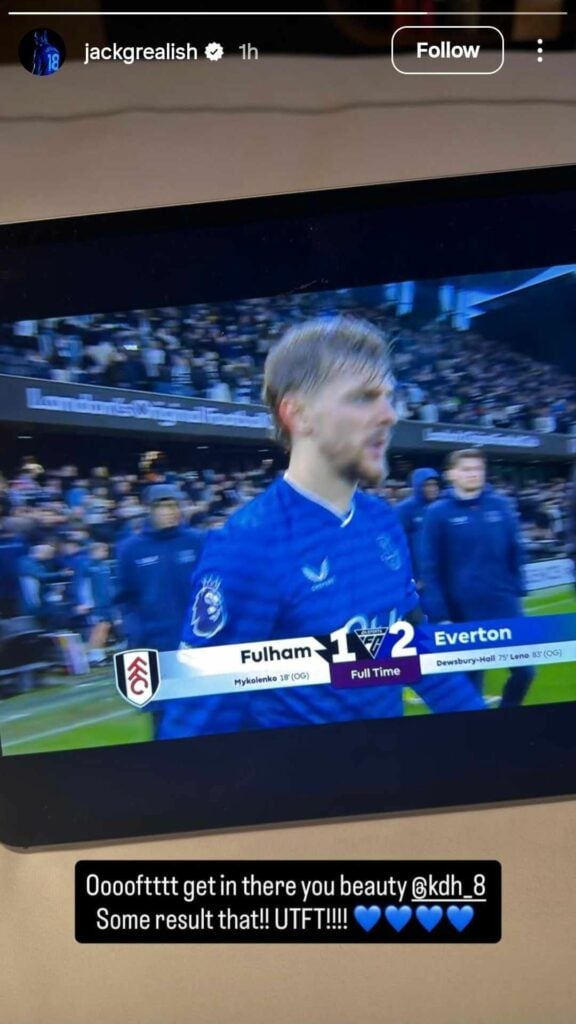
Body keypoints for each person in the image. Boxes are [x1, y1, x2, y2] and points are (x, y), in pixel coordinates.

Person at [157, 317, 484, 739]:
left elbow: (408, 649)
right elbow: (195, 725)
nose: (390, 415)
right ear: (298, 414)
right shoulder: (249, 546)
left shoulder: (383, 520)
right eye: (364, 398)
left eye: (389, 397)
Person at [420, 449, 535, 708]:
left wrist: (517, 588)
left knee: (526, 671)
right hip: (464, 613)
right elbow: (431, 567)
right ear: (451, 474)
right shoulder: (438, 513)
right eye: (466, 469)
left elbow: (516, 550)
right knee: (472, 684)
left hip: (505, 606)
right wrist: (440, 615)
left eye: (477, 468)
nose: (473, 473)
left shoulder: (501, 505)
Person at [115, 485, 204, 654]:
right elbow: (125, 597)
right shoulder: (131, 549)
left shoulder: (197, 540)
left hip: (198, 634)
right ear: (150, 510)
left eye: (175, 505)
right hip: (154, 641)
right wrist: (136, 631)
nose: (171, 511)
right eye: (163, 506)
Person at [396, 468, 440, 587]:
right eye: (427, 485)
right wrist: (412, 576)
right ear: (417, 486)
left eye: (435, 484)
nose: (433, 488)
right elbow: (399, 546)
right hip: (419, 578)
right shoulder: (405, 509)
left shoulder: (442, 507)